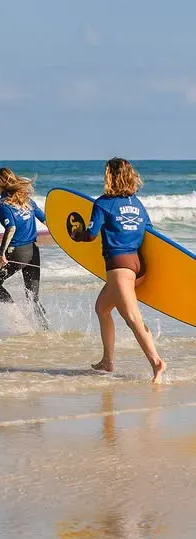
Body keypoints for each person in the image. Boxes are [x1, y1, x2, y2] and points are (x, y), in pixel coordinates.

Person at [71, 157, 165, 384]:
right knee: (102, 308)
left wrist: (77, 234)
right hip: (136, 265)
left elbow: (91, 234)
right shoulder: (138, 204)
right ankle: (107, 361)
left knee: (132, 317)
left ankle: (157, 363)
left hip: (119, 266)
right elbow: (151, 235)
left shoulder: (103, 203)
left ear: (109, 176)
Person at [0, 167, 49, 329]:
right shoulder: (26, 199)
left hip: (18, 252)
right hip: (33, 252)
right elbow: (47, 221)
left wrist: (1, 253)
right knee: (33, 297)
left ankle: (17, 318)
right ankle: (46, 331)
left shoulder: (2, 204)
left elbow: (11, 228)